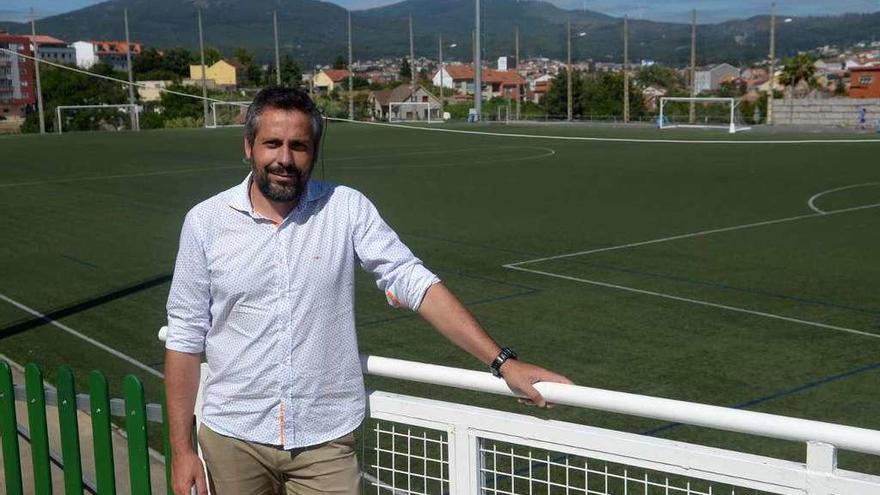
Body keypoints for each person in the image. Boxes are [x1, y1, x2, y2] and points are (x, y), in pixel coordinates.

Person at [164, 87, 571, 495]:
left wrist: (502, 361)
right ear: (248, 147)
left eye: (299, 146)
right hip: (233, 437)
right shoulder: (205, 222)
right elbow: (184, 337)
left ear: (314, 152)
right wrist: (182, 451)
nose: (285, 159)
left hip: (325, 439)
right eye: (272, 143)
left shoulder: (346, 208)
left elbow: (412, 280)